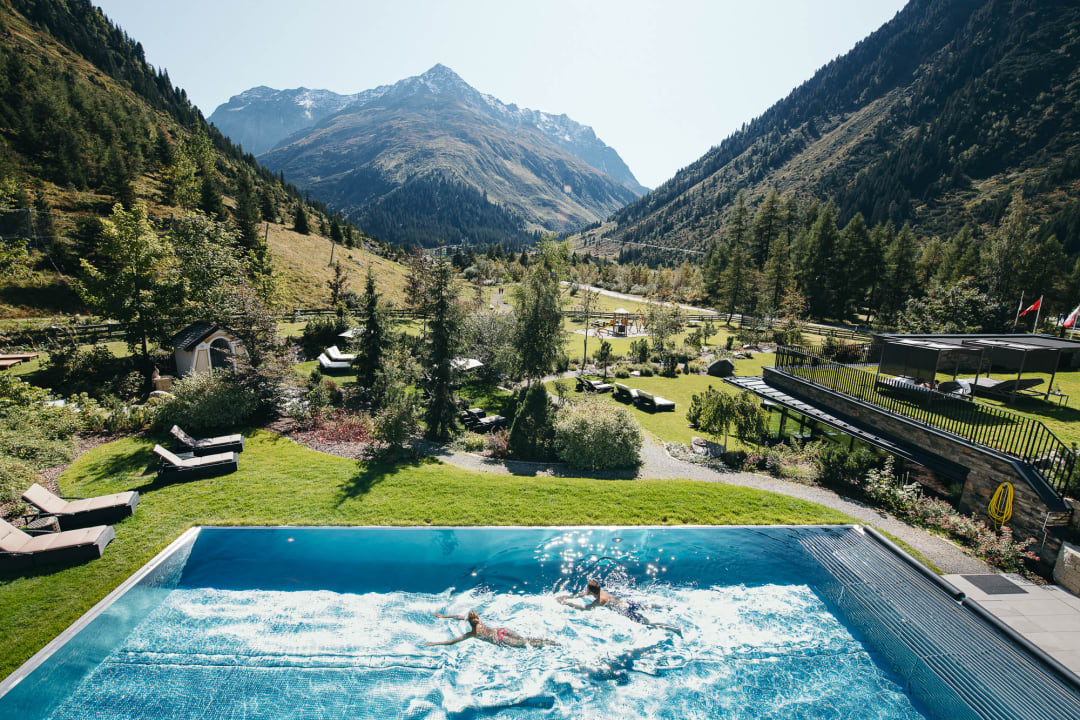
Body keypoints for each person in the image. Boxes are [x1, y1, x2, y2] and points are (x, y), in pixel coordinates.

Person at [557, 579, 681, 635]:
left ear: (592, 592)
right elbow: (584, 593)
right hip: (626, 602)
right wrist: (570, 597)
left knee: (648, 623)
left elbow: (585, 608)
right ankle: (665, 607)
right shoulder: (601, 591)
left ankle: (673, 629)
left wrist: (566, 603)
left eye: (587, 590)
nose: (585, 591)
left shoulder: (600, 600)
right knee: (644, 606)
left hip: (624, 610)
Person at [424, 610, 559, 649]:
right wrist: (443, 616)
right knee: (526, 639)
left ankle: (549, 644)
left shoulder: (473, 633)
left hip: (500, 638)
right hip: (501, 630)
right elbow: (458, 616)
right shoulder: (479, 621)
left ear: (469, 621)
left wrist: (434, 643)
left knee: (527, 644)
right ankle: (551, 641)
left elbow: (452, 642)